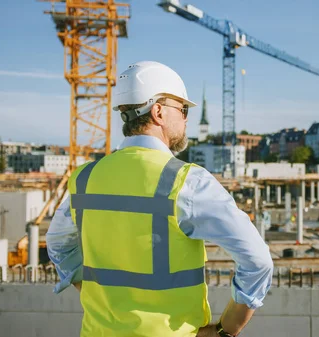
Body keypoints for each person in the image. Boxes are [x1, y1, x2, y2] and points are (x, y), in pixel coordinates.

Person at [46, 61, 274, 337]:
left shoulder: (84, 178)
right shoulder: (187, 181)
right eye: (183, 109)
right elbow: (258, 261)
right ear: (158, 112)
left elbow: (58, 244)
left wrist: (91, 291)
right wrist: (226, 329)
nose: (186, 119)